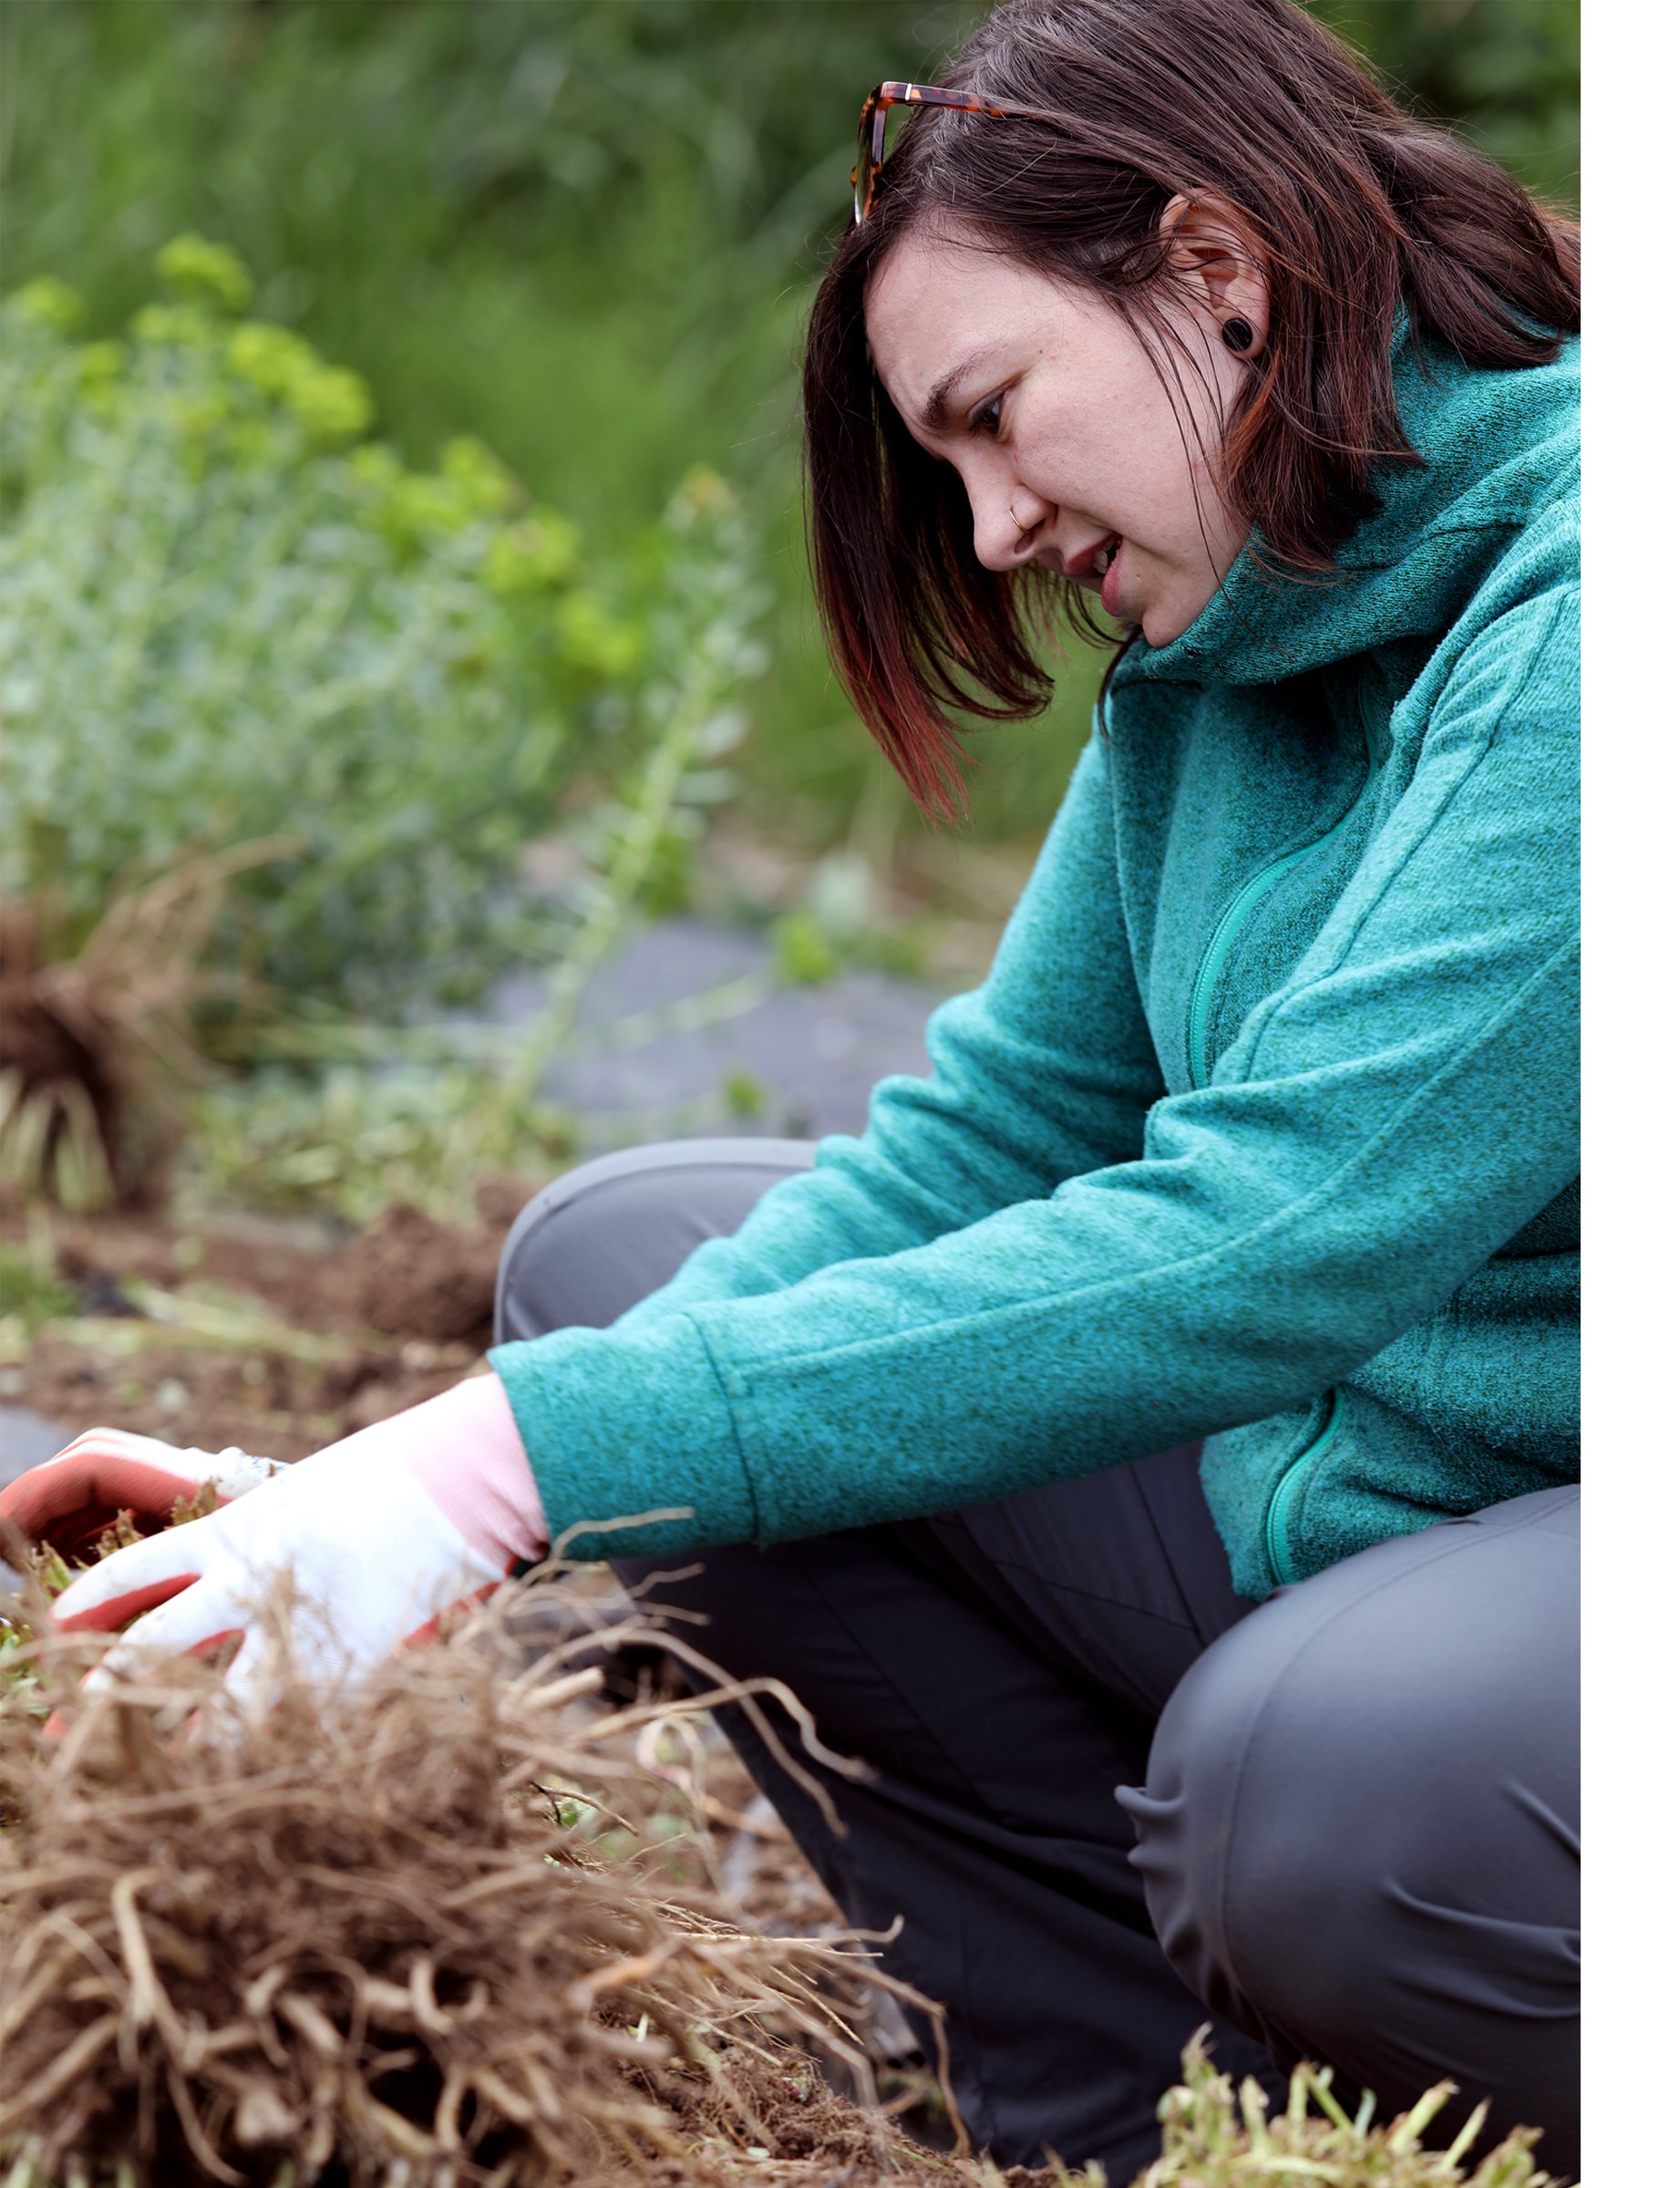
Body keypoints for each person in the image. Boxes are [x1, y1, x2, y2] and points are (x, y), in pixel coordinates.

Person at [0, 0, 1582, 2174]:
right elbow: (995, 1141)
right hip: (1320, 1507)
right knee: (612, 1273)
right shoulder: (1225, 655)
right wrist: (375, 1495)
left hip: (1562, 1542)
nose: (996, 526)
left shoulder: (1590, 592)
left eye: (995, 418)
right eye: (948, 468)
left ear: (1219, 272)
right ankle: (1108, 2128)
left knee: (1302, 1793)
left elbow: (1278, 1236)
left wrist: (509, 1476)